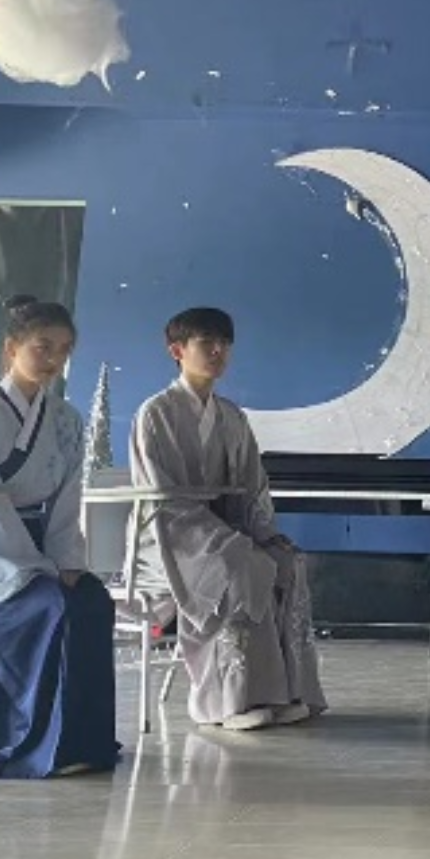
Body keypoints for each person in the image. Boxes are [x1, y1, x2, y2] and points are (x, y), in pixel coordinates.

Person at [0, 296, 120, 779]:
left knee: (92, 600)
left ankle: (84, 742)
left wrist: (66, 560)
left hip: (46, 544)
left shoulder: (66, 419)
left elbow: (67, 497)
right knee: (49, 605)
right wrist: (33, 568)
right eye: (43, 346)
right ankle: (23, 746)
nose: (53, 359)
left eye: (63, 349)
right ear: (11, 347)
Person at [129, 307, 325, 731]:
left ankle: (285, 692)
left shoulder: (233, 418)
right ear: (177, 351)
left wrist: (263, 534)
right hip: (170, 537)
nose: (218, 351)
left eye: (225, 344)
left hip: (223, 532)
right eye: (207, 343)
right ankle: (224, 701)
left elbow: (253, 487)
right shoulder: (155, 414)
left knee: (285, 562)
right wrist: (225, 539)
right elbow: (163, 498)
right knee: (236, 564)